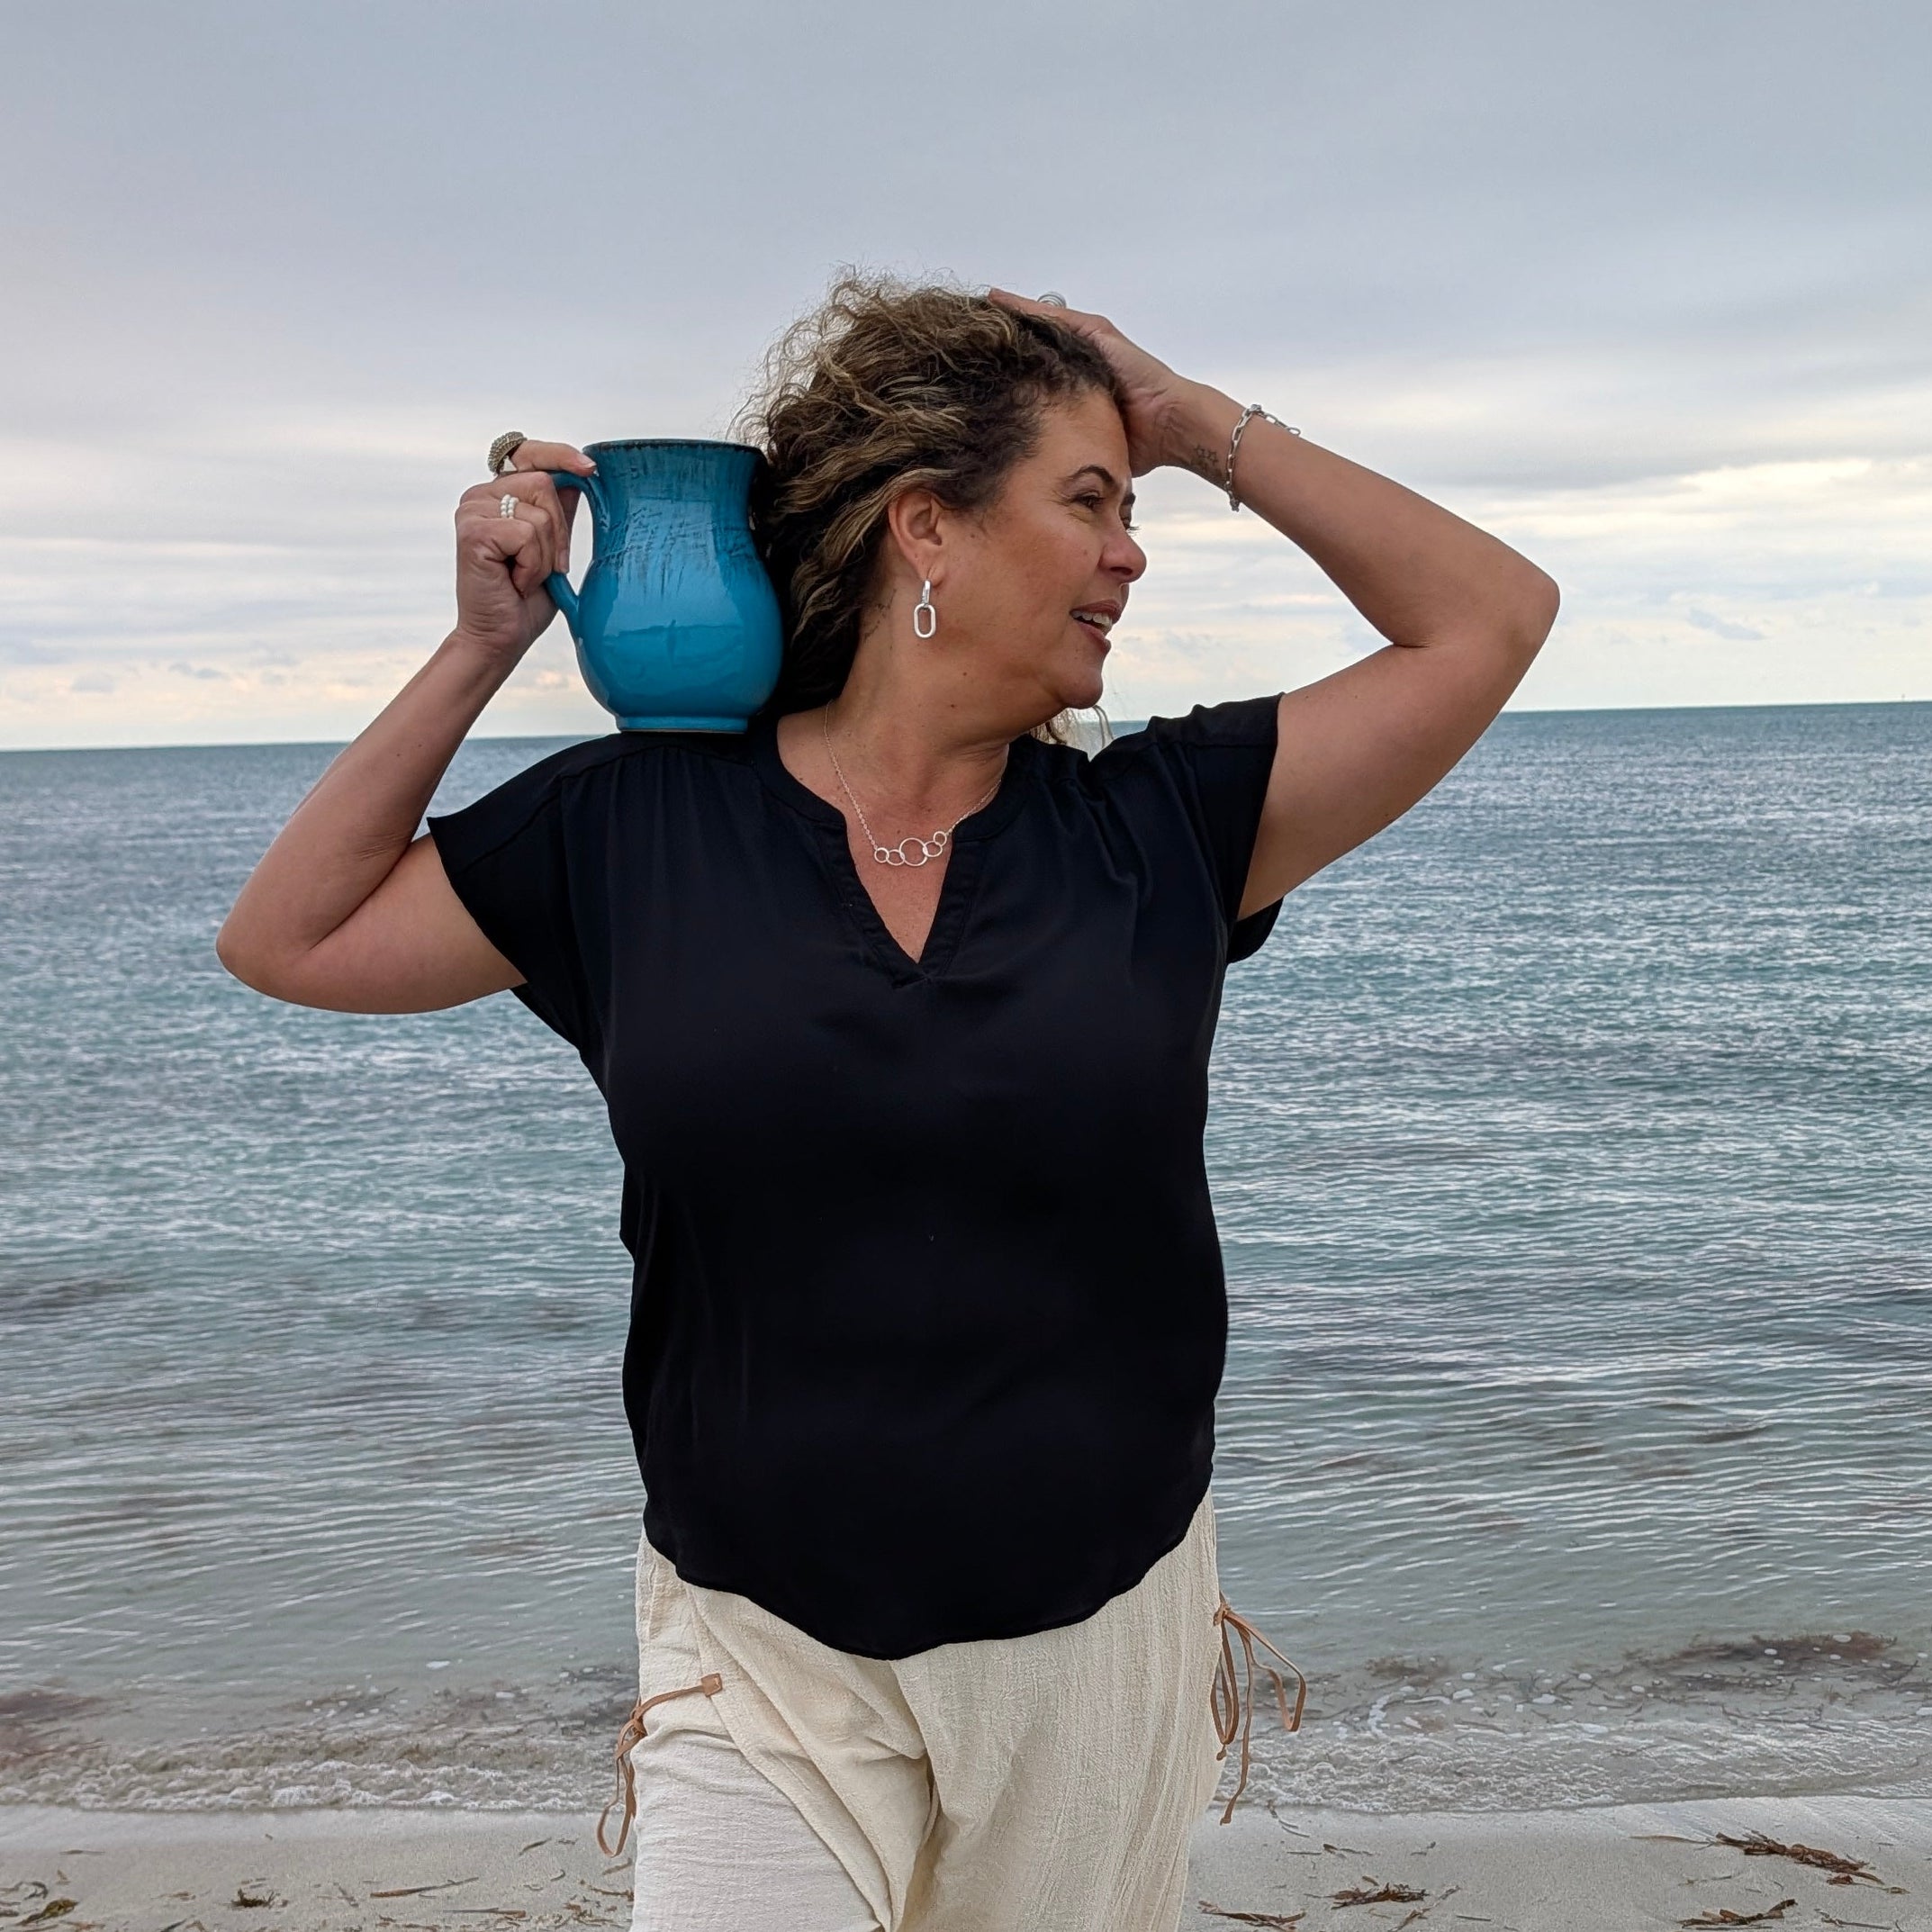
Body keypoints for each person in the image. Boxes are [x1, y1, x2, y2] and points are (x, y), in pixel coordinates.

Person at [215, 276, 1558, 1932]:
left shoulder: (1167, 830)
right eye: (1087, 503)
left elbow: (1487, 616)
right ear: (925, 527)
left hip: (1098, 1639)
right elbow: (290, 935)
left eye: (1130, 509)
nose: (1130, 553)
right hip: (759, 1646)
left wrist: (1180, 414)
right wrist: (484, 647)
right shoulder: (637, 828)